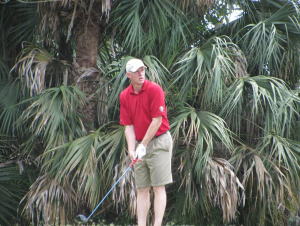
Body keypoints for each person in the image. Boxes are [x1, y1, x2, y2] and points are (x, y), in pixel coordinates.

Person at [119, 58, 173, 226]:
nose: (141, 73)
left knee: (158, 187)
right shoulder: (125, 96)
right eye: (136, 71)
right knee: (141, 188)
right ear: (129, 75)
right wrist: (132, 149)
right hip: (140, 144)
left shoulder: (154, 90)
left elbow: (157, 121)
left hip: (159, 142)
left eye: (142, 70)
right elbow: (128, 125)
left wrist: (142, 145)